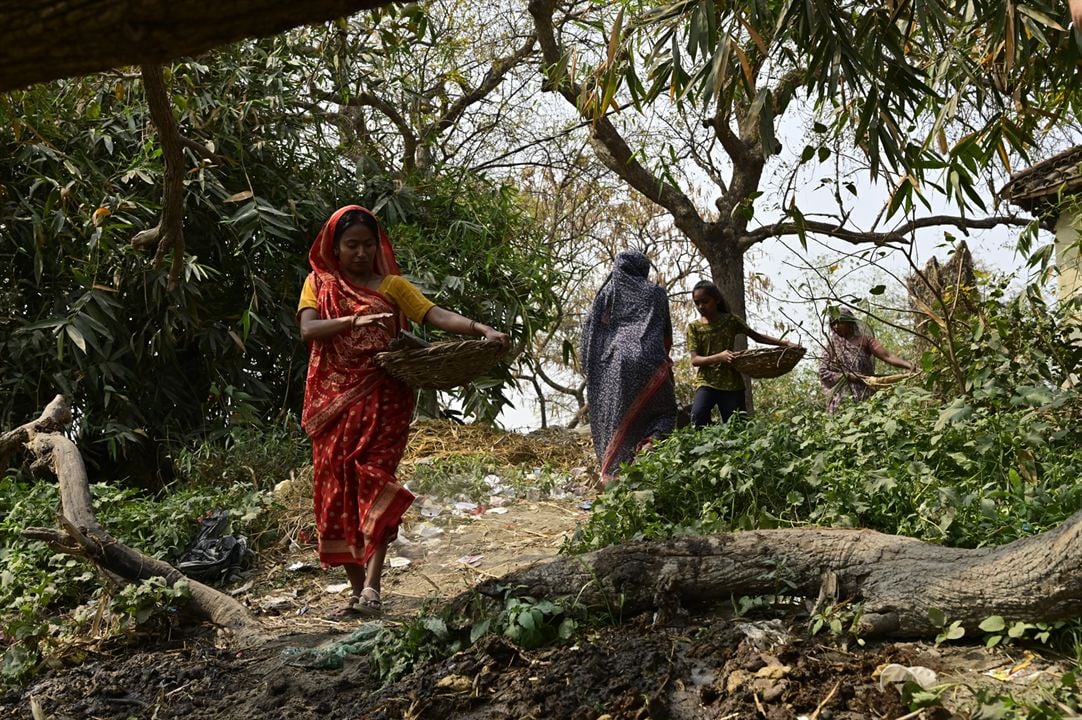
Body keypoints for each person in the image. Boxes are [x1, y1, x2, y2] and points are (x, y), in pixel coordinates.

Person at [297, 205, 509, 617]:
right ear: (335, 248)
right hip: (332, 405)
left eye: (367, 245)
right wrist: (352, 322)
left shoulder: (392, 286)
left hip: (385, 396)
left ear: (377, 247)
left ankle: (373, 587)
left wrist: (482, 329)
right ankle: (356, 590)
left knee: (375, 482)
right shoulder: (317, 284)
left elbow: (433, 314)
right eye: (351, 245)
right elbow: (308, 329)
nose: (360, 253)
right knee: (338, 492)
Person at [580, 250, 678, 484]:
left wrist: (592, 368)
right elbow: (666, 334)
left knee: (613, 420)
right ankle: (650, 445)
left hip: (612, 366)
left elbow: (589, 334)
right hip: (649, 363)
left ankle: (614, 478)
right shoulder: (656, 293)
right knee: (665, 412)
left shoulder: (606, 295)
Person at [687, 280, 800, 426]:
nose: (701, 306)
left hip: (732, 384)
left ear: (716, 300)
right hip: (706, 382)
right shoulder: (694, 327)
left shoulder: (730, 321)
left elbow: (756, 336)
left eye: (705, 301)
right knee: (698, 416)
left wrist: (785, 343)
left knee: (736, 426)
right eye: (697, 303)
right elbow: (695, 360)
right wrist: (719, 357)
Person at [818, 308, 914, 413]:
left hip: (866, 395)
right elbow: (823, 372)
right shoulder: (831, 346)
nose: (835, 327)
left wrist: (910, 366)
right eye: (833, 324)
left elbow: (887, 356)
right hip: (842, 402)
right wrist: (848, 376)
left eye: (839, 322)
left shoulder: (865, 341)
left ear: (850, 323)